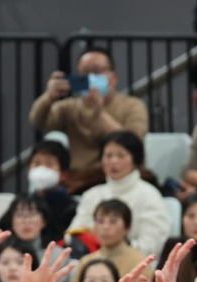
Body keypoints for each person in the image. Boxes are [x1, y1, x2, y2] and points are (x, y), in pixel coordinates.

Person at [29, 47, 148, 193]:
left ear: (113, 78)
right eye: (84, 73)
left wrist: (99, 112)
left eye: (97, 71)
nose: (90, 78)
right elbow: (37, 121)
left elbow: (133, 143)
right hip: (80, 179)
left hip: (120, 176)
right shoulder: (69, 107)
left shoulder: (133, 105)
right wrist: (49, 97)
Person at [67, 131, 168, 256]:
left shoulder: (149, 195)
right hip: (92, 261)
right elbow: (72, 236)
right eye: (108, 156)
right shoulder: (91, 195)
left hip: (134, 261)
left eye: (121, 156)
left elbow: (151, 246)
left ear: (135, 159)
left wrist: (116, 249)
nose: (114, 161)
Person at [64, 199, 152, 282]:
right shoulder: (86, 261)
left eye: (113, 221)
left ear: (127, 228)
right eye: (100, 221)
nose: (105, 227)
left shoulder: (140, 262)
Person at [26, 138, 78, 242]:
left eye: (49, 164)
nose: (41, 169)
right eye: (36, 163)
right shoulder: (22, 204)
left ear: (64, 174)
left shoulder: (70, 209)